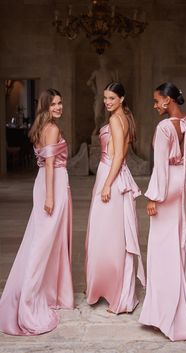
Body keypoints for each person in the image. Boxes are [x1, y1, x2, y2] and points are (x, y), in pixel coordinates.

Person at [0, 89, 74, 335]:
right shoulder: (51, 129)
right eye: (54, 104)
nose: (59, 107)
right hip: (51, 185)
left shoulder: (39, 127)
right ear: (45, 107)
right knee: (42, 244)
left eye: (60, 103)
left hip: (45, 182)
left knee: (40, 240)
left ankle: (45, 291)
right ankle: (29, 301)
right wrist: (51, 196)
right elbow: (51, 164)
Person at [139, 82, 186, 341]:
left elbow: (160, 167)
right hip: (185, 181)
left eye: (156, 101)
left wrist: (154, 196)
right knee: (180, 236)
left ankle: (165, 307)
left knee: (162, 242)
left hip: (168, 185)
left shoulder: (164, 127)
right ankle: (183, 296)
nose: (155, 105)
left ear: (167, 100)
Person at [85, 82, 145, 314]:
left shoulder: (114, 120)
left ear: (121, 98)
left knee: (106, 235)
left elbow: (119, 154)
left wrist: (107, 184)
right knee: (114, 234)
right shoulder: (125, 118)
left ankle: (117, 292)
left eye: (111, 98)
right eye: (105, 98)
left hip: (111, 175)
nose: (107, 102)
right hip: (114, 174)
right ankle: (115, 288)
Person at [87, 55, 118, 135]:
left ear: (107, 62)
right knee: (97, 114)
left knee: (107, 115)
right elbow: (89, 82)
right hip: (100, 95)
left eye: (105, 61)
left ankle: (105, 131)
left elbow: (116, 84)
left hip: (109, 96)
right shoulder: (97, 72)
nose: (103, 63)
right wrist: (94, 89)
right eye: (102, 61)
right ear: (100, 62)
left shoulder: (111, 72)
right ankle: (97, 127)